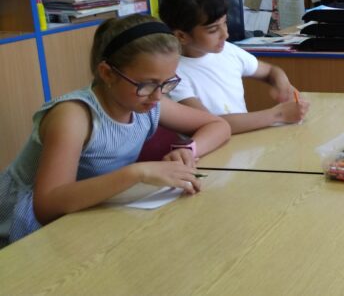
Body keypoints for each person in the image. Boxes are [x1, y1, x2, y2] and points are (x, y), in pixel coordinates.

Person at [0, 15, 232, 247]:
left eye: (167, 83)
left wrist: (189, 150)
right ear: (107, 73)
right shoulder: (74, 116)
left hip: (84, 213)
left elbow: (218, 125)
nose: (158, 95)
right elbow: (47, 206)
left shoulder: (150, 102)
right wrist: (136, 173)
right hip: (19, 227)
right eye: (147, 84)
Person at [159, 0, 309, 134]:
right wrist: (278, 114)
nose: (225, 34)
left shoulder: (228, 51)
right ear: (181, 36)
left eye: (225, 23)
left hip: (243, 141)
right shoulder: (171, 74)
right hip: (212, 146)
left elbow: (270, 71)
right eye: (213, 30)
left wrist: (283, 85)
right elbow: (209, 124)